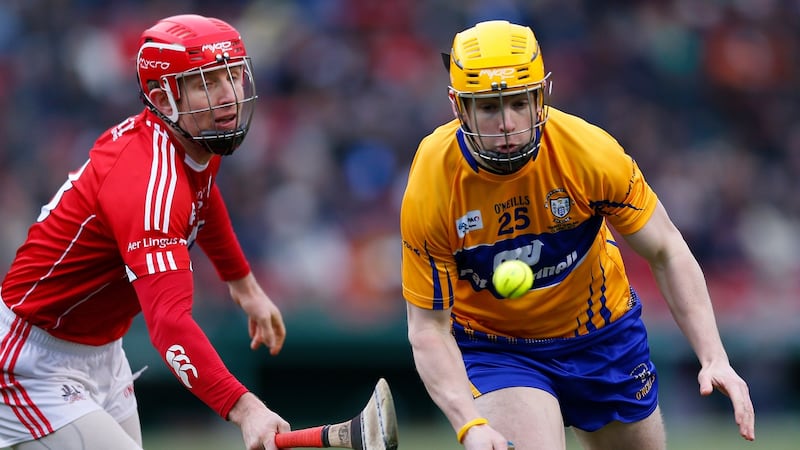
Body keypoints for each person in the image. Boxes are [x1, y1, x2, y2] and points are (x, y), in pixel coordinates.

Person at [400, 20, 756, 450]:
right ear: (459, 107)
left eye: (518, 103)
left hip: (601, 334)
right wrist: (468, 423)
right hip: (497, 348)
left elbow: (666, 250)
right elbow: (428, 329)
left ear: (540, 97)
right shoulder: (432, 183)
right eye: (490, 108)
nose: (508, 124)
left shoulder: (589, 153)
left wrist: (713, 356)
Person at [0, 14, 290, 450]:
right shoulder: (148, 183)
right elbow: (170, 325)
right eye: (206, 82)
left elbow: (203, 200)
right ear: (162, 97)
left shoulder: (192, 139)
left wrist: (244, 286)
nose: (228, 95)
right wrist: (246, 409)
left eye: (231, 75)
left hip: (101, 351)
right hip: (32, 362)